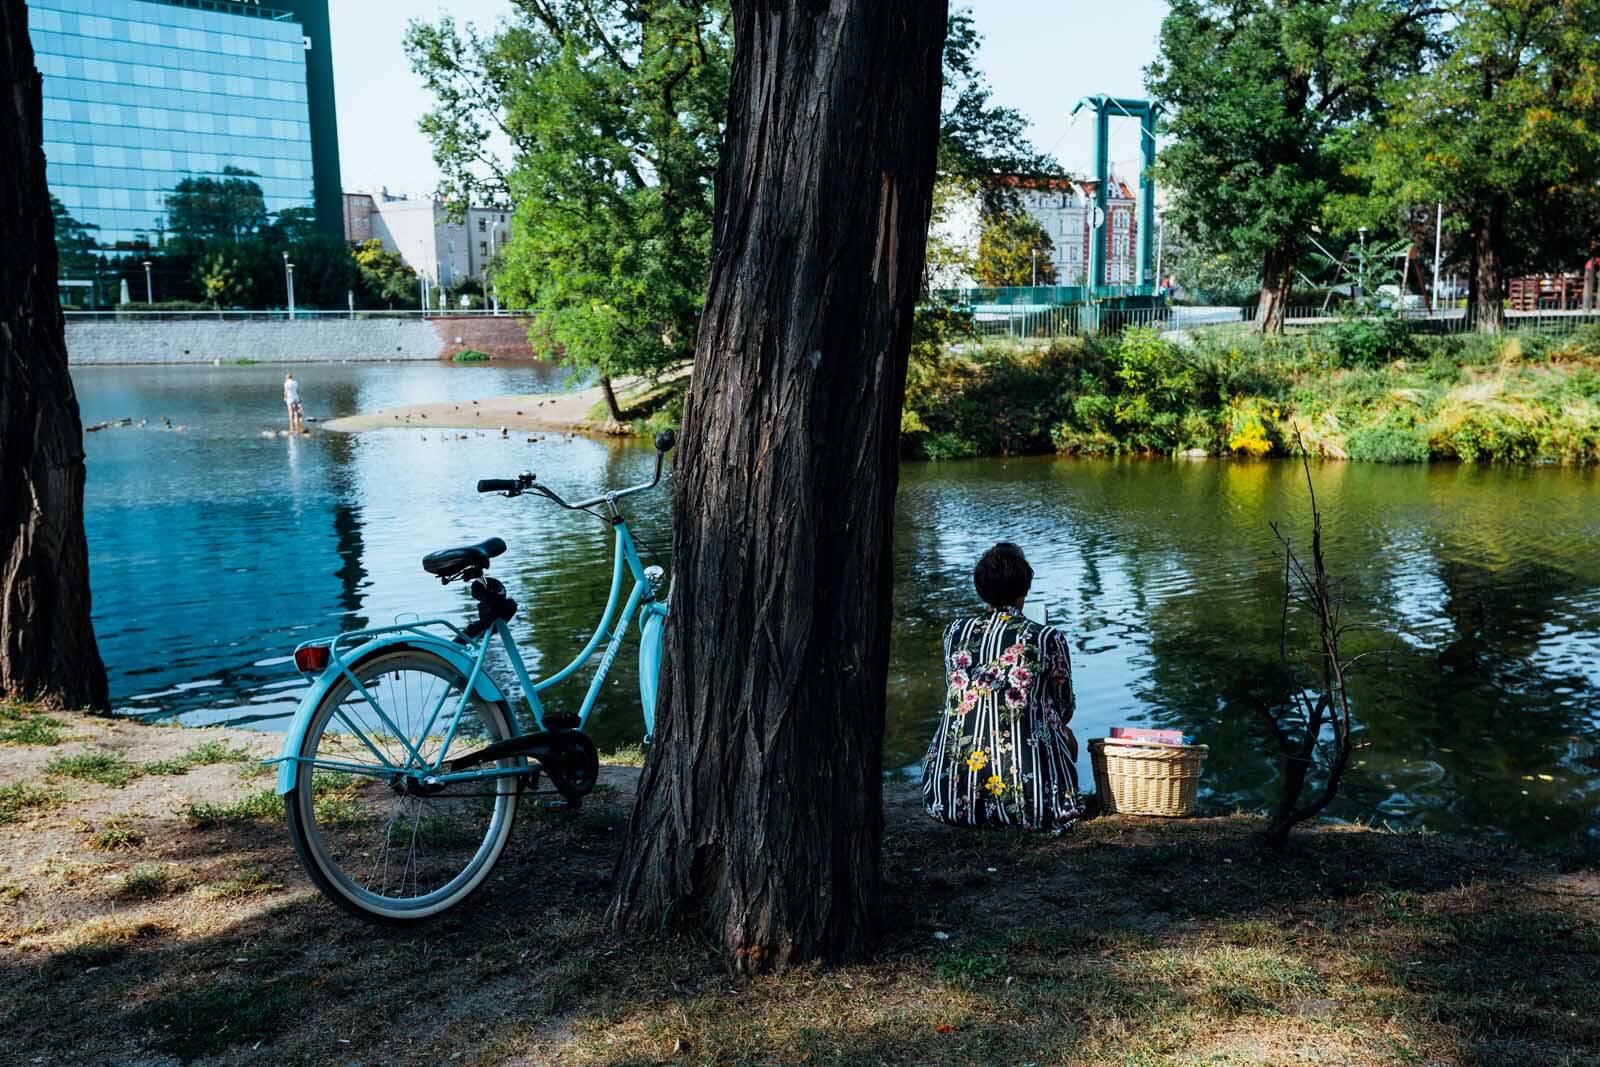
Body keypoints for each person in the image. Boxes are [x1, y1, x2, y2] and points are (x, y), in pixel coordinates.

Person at [922, 542, 1083, 830]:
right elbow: (1064, 709)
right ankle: (1035, 796)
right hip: (1032, 808)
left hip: (949, 799)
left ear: (980, 589)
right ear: (1025, 589)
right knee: (1067, 736)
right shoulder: (1047, 637)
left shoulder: (954, 632)